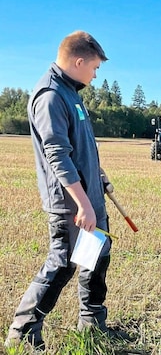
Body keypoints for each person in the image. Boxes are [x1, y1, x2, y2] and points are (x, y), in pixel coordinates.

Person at [5, 31, 115, 350]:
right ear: (78, 61)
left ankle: (92, 324)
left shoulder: (71, 93)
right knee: (63, 263)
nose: (95, 75)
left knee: (95, 258)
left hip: (89, 196)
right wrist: (83, 205)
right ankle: (22, 333)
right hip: (70, 204)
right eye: (94, 68)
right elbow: (57, 155)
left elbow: (80, 147)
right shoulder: (51, 95)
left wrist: (100, 178)